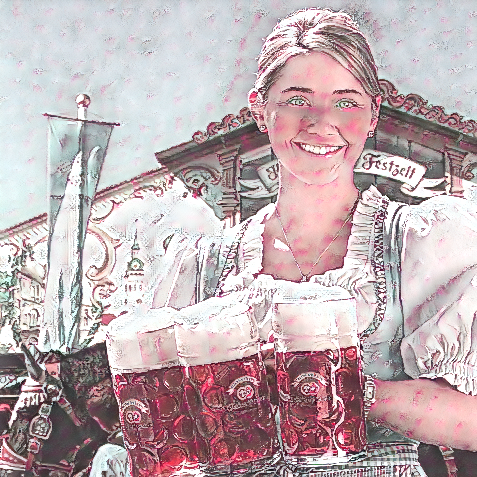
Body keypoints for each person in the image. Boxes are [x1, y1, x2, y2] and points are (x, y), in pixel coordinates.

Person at [151, 8, 477, 476]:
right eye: (297, 99)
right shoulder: (204, 264)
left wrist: (345, 390)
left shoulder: (420, 243)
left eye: (346, 102)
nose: (321, 122)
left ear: (373, 114)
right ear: (260, 110)